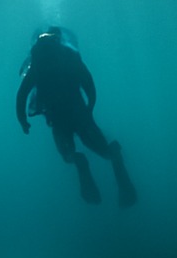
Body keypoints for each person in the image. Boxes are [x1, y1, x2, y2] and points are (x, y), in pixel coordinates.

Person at [16, 26, 137, 207]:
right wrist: (90, 106)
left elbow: (22, 94)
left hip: (57, 119)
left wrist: (22, 120)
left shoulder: (37, 64)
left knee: (67, 154)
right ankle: (114, 154)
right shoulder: (70, 57)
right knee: (101, 149)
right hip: (80, 114)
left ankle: (79, 161)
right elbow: (89, 83)